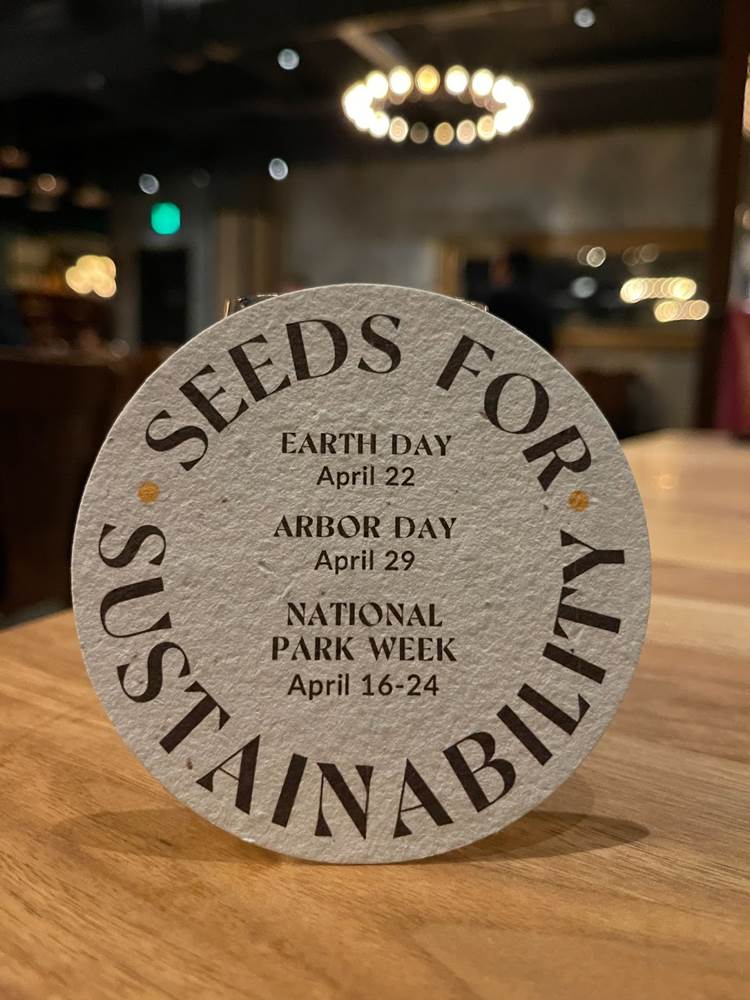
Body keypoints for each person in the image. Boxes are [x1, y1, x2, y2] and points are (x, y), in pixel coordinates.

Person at [486, 249, 555, 355]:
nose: (491, 271)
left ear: (510, 269)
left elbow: (489, 339)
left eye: (498, 266)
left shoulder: (500, 300)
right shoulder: (539, 301)